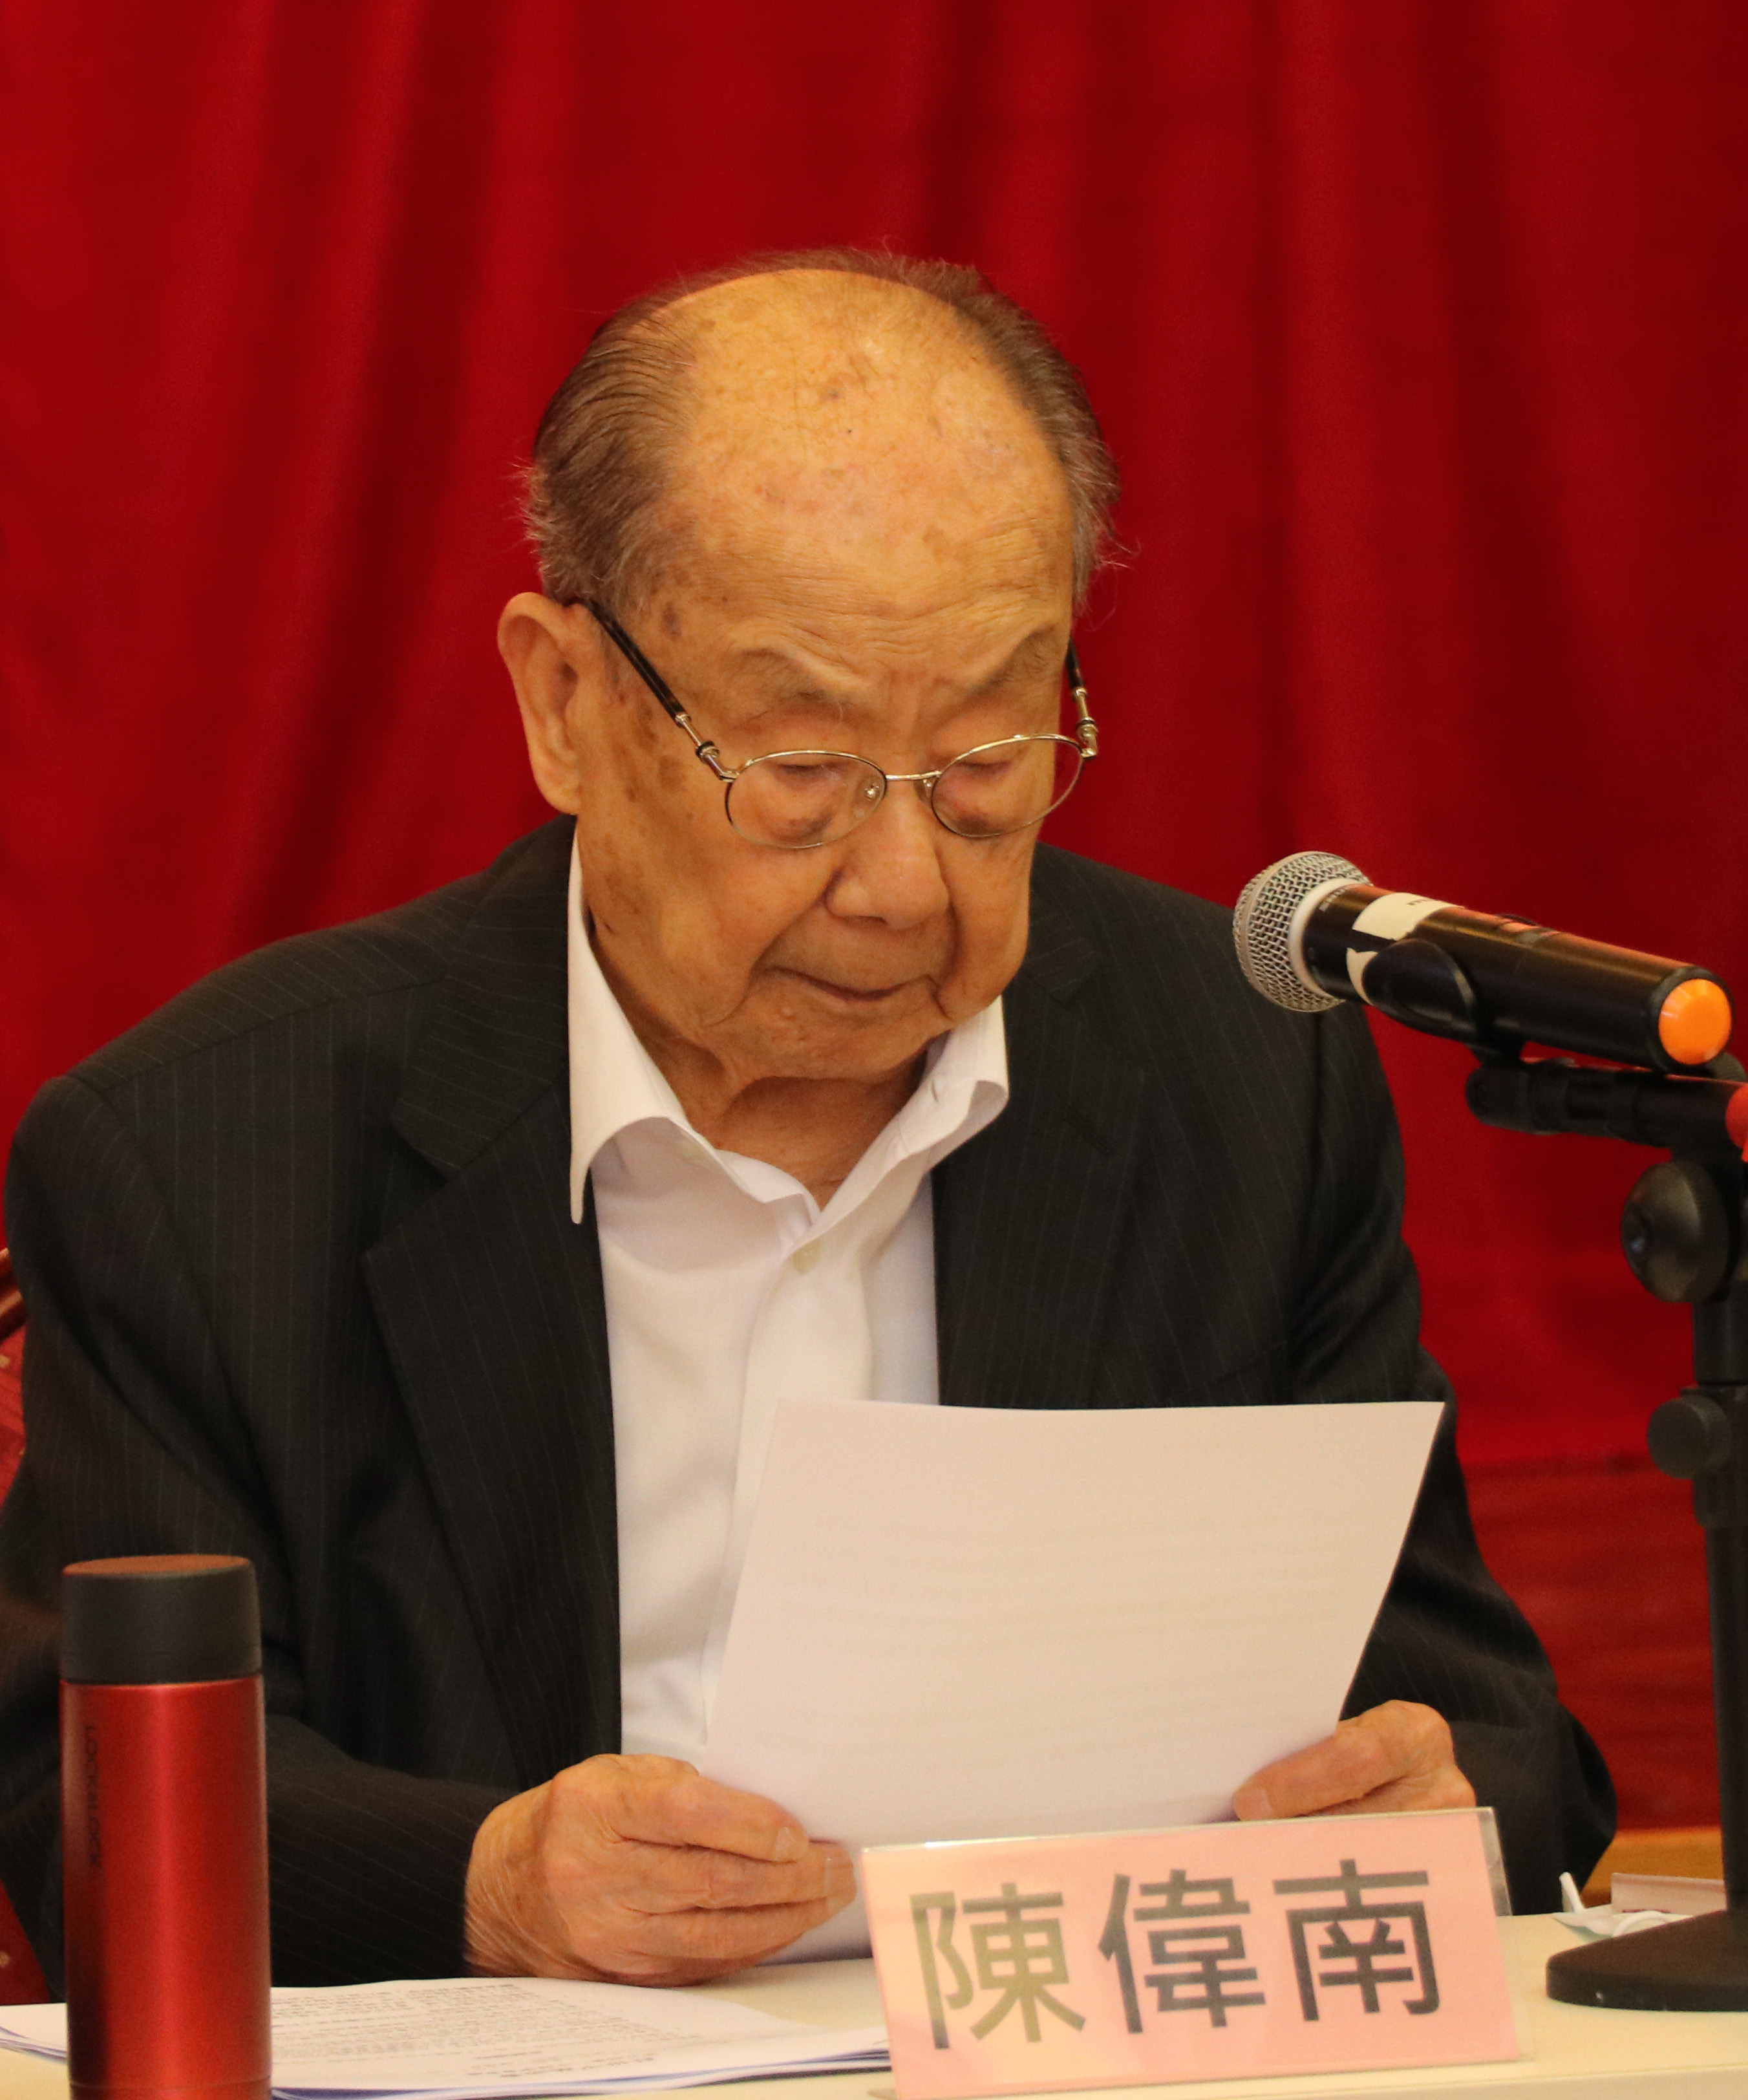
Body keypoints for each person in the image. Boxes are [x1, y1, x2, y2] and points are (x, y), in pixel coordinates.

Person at [0, 249, 1612, 1992]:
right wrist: (485, 1881)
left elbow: (1495, 1739)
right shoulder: (202, 1156)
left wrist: (1436, 1808)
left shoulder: (1239, 1076)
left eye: (987, 761)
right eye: (800, 770)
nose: (903, 882)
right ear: (563, 702)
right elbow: (82, 1806)